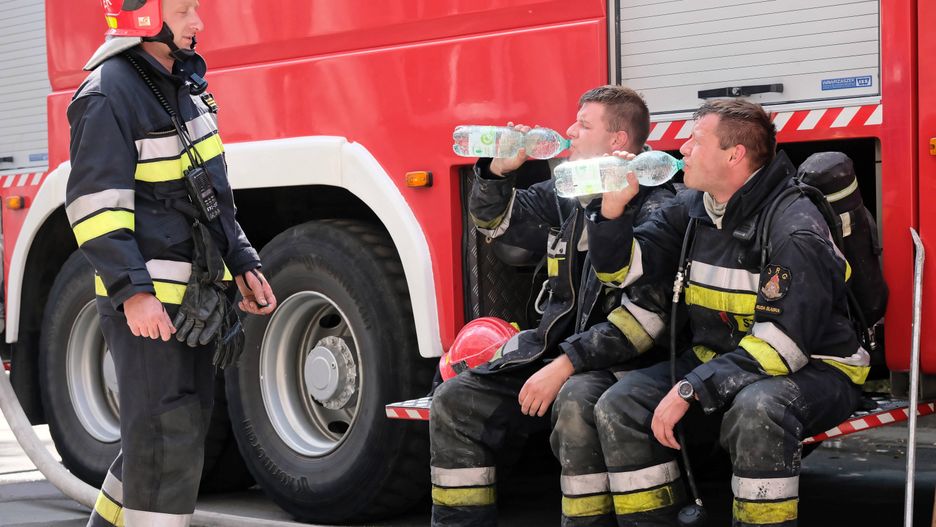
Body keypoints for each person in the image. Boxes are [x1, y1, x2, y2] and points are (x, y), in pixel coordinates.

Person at [584, 99, 864, 526]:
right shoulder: (694, 208)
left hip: (815, 368)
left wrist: (690, 389)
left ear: (734, 155)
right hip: (721, 359)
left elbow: (781, 349)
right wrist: (613, 210)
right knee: (621, 404)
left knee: (758, 408)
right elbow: (621, 271)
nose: (682, 150)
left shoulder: (793, 226)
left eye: (695, 141)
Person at [67, 1, 276, 526]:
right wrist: (134, 295)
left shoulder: (180, 85)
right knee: (166, 439)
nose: (198, 24)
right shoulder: (109, 93)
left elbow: (211, 198)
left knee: (163, 435)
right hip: (150, 308)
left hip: (191, 302)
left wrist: (242, 262)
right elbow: (95, 209)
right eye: (184, 11)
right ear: (143, 15)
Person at [429, 85, 674, 526]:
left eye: (583, 124)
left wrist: (564, 365)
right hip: (559, 354)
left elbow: (645, 323)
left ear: (618, 141)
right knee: (454, 399)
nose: (569, 132)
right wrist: (498, 172)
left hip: (629, 364)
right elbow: (495, 224)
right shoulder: (571, 194)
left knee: (576, 399)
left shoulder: (658, 207)